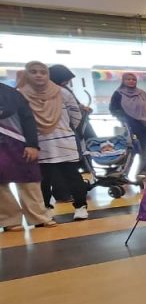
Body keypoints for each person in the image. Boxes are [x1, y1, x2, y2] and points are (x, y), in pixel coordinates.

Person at [18, 61, 90, 220]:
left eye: (42, 72)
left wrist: (66, 130)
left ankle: (81, 206)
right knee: (42, 180)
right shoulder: (21, 94)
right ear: (27, 74)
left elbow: (76, 115)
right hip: (38, 145)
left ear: (48, 74)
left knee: (72, 176)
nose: (38, 75)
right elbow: (19, 120)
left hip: (64, 143)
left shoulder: (62, 92)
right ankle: (45, 209)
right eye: (33, 72)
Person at [0, 82, 56, 231]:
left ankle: (39, 217)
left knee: (30, 180)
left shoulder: (12, 93)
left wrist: (32, 144)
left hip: (18, 143)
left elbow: (28, 119)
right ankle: (9, 220)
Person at [109, 72, 146, 176]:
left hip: (144, 126)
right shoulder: (118, 94)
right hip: (128, 126)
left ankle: (143, 173)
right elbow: (113, 109)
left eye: (134, 79)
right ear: (123, 81)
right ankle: (123, 173)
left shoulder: (142, 93)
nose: (131, 81)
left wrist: (142, 114)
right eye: (128, 79)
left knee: (144, 151)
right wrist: (124, 117)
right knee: (128, 151)